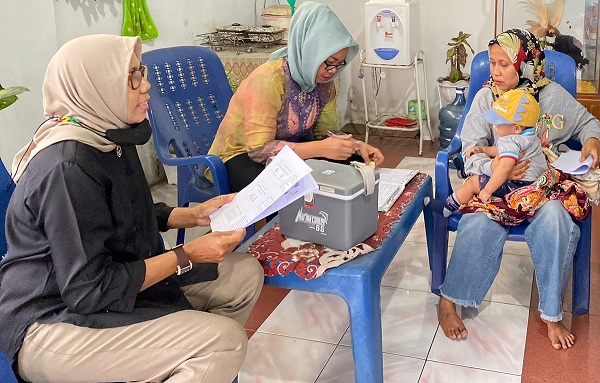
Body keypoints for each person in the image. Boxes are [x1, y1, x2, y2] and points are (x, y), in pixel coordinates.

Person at [0, 34, 264, 383]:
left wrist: (191, 215)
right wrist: (187, 254)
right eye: (133, 77)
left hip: (113, 286)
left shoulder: (108, 135)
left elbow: (118, 211)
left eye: (142, 71)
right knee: (224, 343)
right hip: (53, 322)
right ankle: (193, 356)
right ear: (97, 85)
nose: (146, 86)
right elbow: (88, 289)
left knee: (244, 275)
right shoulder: (68, 168)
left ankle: (179, 364)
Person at [437, 29, 600, 350]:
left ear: (526, 64)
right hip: (499, 188)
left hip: (541, 188)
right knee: (476, 222)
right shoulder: (486, 97)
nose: (495, 71)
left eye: (504, 64)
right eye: (492, 63)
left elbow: (588, 123)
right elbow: (470, 150)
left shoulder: (551, 96)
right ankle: (449, 301)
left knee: (556, 219)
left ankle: (552, 314)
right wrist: (496, 169)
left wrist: (593, 142)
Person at [208, 1, 384, 192]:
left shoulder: (324, 83)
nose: (332, 71)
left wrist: (355, 146)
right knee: (289, 188)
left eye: (340, 64)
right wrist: (321, 149)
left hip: (288, 150)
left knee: (355, 166)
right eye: (329, 62)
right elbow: (259, 150)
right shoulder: (269, 80)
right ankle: (296, 222)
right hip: (239, 156)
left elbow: (324, 134)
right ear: (309, 50)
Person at [439, 88, 547, 213]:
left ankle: (447, 207)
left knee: (472, 184)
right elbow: (500, 150)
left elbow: (504, 169)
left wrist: (487, 190)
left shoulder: (511, 140)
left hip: (519, 186)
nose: (494, 127)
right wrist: (483, 150)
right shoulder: (529, 136)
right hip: (534, 184)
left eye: (498, 124)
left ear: (517, 128)